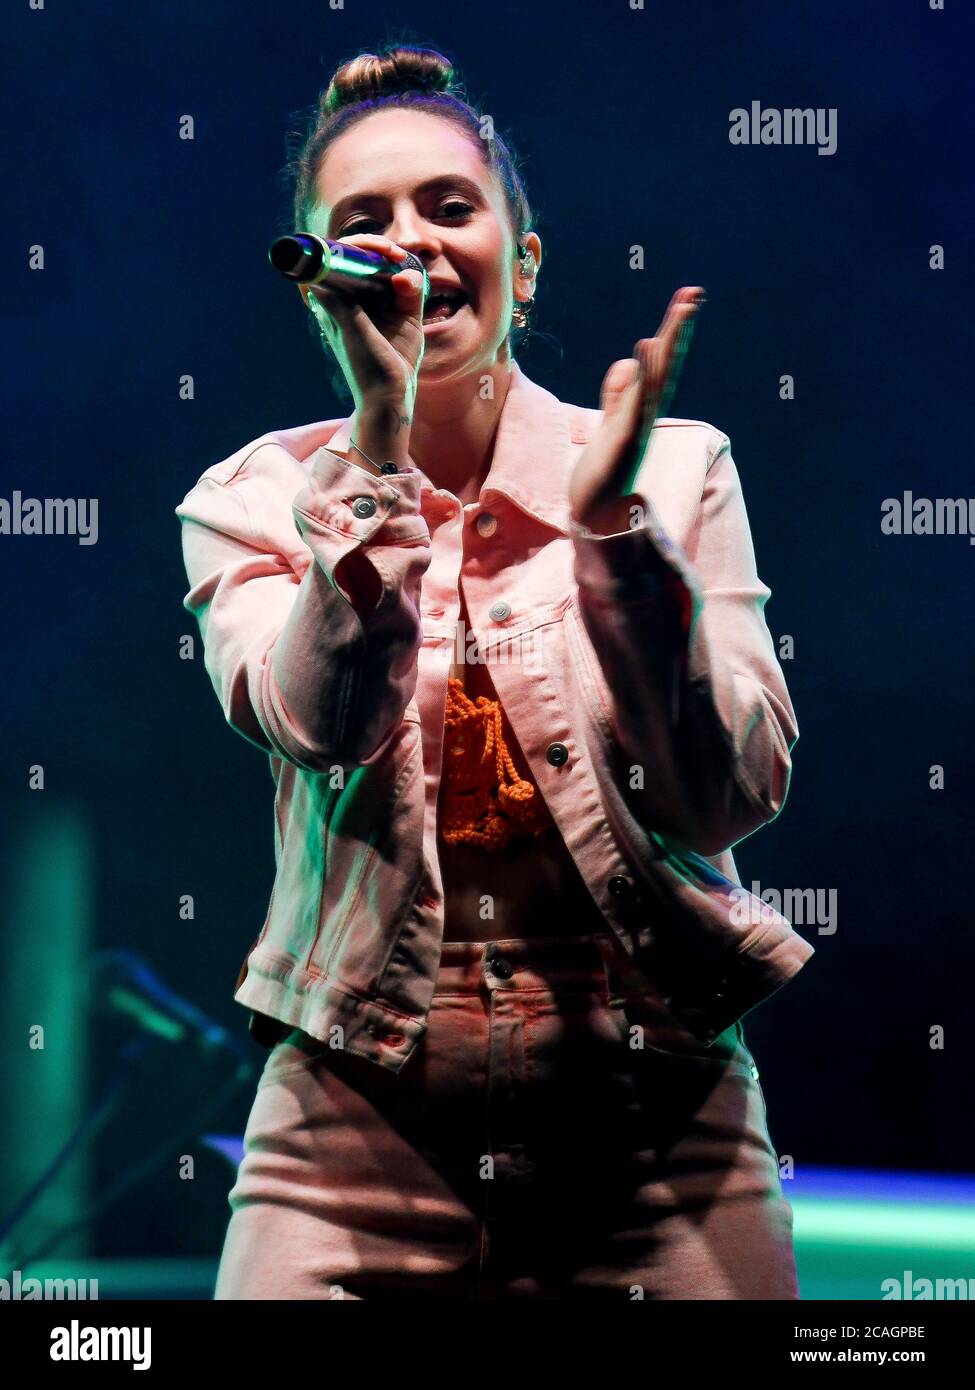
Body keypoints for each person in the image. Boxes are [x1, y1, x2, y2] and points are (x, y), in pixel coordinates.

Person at [175, 44, 814, 1300]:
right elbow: (316, 722)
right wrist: (378, 446)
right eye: (363, 224)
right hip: (350, 1126)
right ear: (319, 288)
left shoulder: (673, 468)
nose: (408, 242)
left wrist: (615, 541)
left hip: (654, 1117)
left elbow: (732, 793)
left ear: (522, 264)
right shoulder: (252, 499)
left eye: (448, 208)